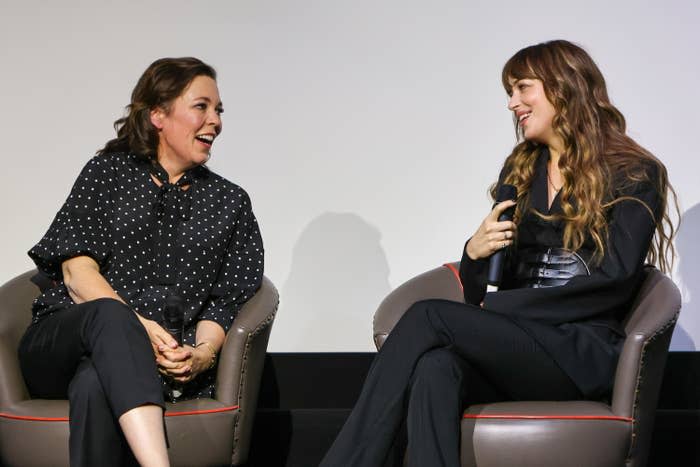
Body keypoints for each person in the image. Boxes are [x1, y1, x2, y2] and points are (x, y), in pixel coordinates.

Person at [320, 40, 677, 467]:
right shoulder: (521, 168)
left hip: (581, 351)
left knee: (427, 315)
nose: (512, 104)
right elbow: (482, 288)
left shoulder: (635, 172)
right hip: (521, 344)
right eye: (510, 92)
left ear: (562, 87)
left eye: (522, 88)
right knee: (436, 369)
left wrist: (507, 308)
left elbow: (616, 280)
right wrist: (474, 253)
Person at [18, 57, 264, 467]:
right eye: (201, 106)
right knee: (113, 318)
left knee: (96, 386)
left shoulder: (230, 202)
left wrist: (201, 354)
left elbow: (225, 301)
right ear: (158, 115)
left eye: (219, 110)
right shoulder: (106, 173)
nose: (215, 121)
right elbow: (77, 273)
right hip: (63, 342)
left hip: (154, 363)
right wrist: (138, 328)